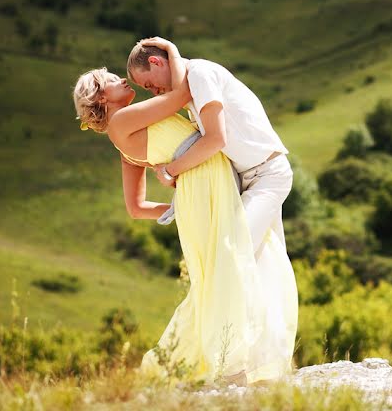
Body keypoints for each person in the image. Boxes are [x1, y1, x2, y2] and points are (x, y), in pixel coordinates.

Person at [72, 66, 294, 384]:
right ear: (101, 97)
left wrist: (179, 207)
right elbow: (184, 93)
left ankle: (227, 361)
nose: (123, 79)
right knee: (224, 271)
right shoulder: (122, 120)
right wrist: (167, 49)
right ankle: (227, 366)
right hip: (206, 184)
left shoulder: (125, 135)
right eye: (111, 81)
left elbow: (136, 208)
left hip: (204, 187)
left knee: (221, 274)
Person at [126, 37, 298, 378]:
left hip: (267, 175)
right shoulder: (190, 87)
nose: (152, 92)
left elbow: (215, 139)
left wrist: (171, 171)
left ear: (158, 64)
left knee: (228, 256)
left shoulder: (201, 75)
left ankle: (217, 363)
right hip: (246, 179)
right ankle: (257, 365)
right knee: (261, 267)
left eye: (149, 84)